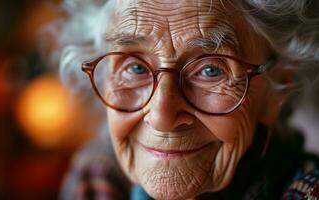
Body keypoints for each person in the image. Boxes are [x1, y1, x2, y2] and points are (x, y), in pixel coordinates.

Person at [55, 0, 319, 199]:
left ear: (278, 85)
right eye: (135, 68)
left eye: (211, 70)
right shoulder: (91, 185)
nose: (162, 116)